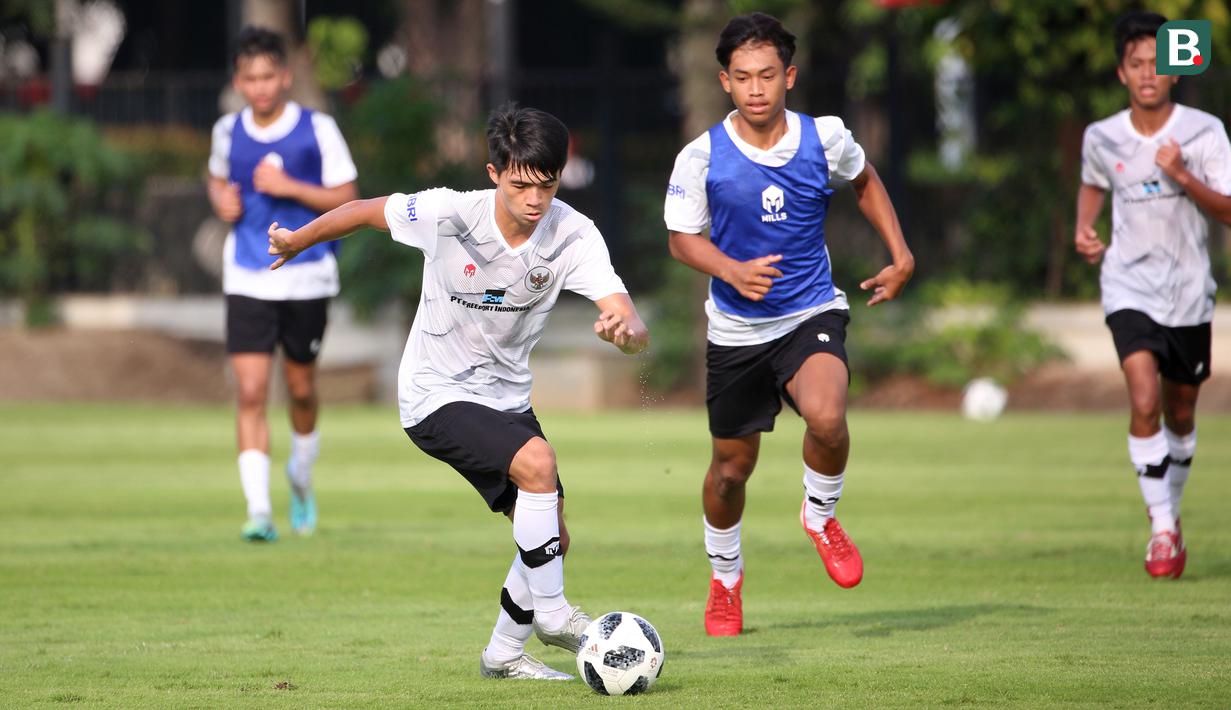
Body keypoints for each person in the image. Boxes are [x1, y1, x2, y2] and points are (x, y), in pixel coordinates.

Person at [266, 104, 650, 679]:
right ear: (493, 172)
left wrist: (627, 335)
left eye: (547, 185)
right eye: (521, 184)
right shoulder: (451, 213)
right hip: (434, 394)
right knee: (538, 464)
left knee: (551, 534)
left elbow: (627, 318)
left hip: (507, 398)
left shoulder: (573, 234)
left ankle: (502, 656)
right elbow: (363, 210)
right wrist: (299, 240)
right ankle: (553, 616)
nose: (534, 199)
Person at [664, 12, 914, 636]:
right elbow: (680, 239)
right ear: (724, 81)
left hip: (810, 311)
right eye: (743, 77)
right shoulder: (701, 157)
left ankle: (820, 513)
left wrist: (900, 254)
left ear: (789, 76)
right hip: (736, 331)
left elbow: (865, 181)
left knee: (828, 416)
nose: (756, 89)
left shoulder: (825, 137)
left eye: (767, 76)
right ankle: (725, 582)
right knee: (730, 471)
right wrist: (731, 269)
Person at [1075, 12, 1231, 579]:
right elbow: (1093, 183)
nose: (1148, 74)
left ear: (1176, 71)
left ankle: (1172, 512)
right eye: (1137, 64)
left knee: (1181, 411)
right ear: (1122, 73)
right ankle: (1162, 530)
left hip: (1189, 291)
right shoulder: (1102, 136)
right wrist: (1084, 229)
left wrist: (1184, 176)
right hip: (1128, 285)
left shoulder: (1204, 131)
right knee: (1143, 398)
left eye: (1158, 64)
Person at [207, 27, 359, 542]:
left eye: (268, 75)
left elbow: (348, 196)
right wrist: (220, 201)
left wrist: (289, 187)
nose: (260, 86)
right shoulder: (228, 130)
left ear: (285, 77)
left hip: (307, 278)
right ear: (238, 82)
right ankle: (258, 511)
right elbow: (216, 177)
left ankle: (300, 478)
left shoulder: (317, 128)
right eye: (250, 78)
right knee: (250, 392)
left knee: (300, 389)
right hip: (247, 274)